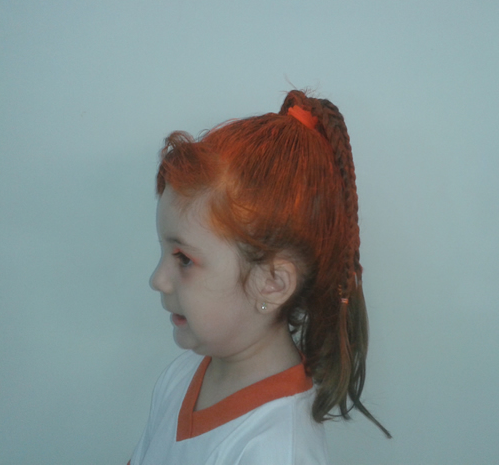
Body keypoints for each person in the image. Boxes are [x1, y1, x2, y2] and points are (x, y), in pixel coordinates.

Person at [128, 90, 390, 465]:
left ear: (272, 284)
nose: (158, 280)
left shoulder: (276, 451)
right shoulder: (183, 376)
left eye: (183, 259)